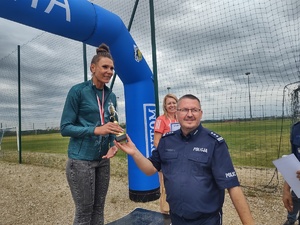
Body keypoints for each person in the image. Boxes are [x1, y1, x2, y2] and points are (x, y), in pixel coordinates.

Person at [115, 94, 255, 225]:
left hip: (207, 221)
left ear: (201, 113)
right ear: (177, 114)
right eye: (184, 110)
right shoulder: (166, 141)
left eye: (194, 110)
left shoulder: (214, 143)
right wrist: (134, 153)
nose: (189, 114)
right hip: (176, 218)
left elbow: (232, 186)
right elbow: (150, 169)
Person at [60, 43, 124, 225]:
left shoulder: (111, 96)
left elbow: (113, 125)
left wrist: (113, 144)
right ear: (93, 68)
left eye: (112, 68)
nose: (109, 71)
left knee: (99, 209)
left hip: (103, 160)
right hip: (81, 161)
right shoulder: (77, 91)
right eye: (105, 67)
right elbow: (65, 127)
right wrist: (96, 130)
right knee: (84, 212)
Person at [154, 93, 179, 214]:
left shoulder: (180, 118)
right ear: (165, 105)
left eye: (174, 102)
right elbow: (156, 141)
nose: (172, 105)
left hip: (181, 158)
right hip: (167, 159)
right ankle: (165, 214)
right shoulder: (161, 119)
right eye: (169, 103)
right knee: (166, 187)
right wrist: (165, 156)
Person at [282, 121, 300, 225]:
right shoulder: (296, 129)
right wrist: (286, 188)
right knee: (295, 197)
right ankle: (291, 219)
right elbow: (294, 161)